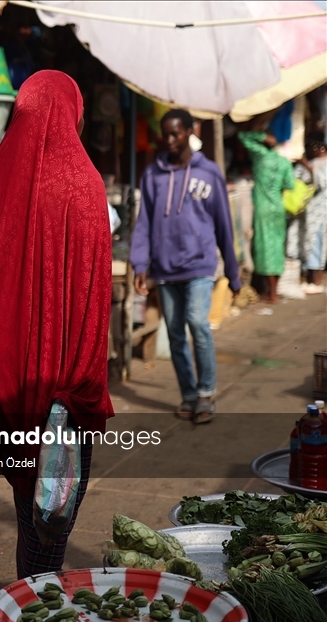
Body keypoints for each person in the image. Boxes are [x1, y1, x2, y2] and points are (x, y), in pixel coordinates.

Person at [0, 71, 113, 580]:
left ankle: (28, 601)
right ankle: (35, 619)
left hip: (0, 381)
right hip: (60, 385)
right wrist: (87, 384)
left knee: (27, 502)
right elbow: (95, 297)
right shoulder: (85, 185)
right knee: (53, 512)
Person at [131, 109, 242, 424]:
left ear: (191, 131)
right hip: (165, 269)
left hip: (199, 265)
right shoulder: (153, 175)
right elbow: (144, 223)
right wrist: (141, 263)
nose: (169, 141)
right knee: (176, 334)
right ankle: (189, 395)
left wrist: (233, 274)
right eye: (165, 134)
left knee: (197, 322)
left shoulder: (209, 173)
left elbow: (223, 224)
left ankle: (206, 392)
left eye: (175, 134)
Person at [239, 128, 295, 303]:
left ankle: (270, 293)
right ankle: (274, 290)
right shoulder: (284, 162)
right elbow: (290, 184)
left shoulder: (261, 156)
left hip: (263, 207)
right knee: (277, 246)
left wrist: (261, 135)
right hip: (278, 207)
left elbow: (243, 136)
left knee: (264, 248)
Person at [297, 140, 326, 293]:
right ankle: (308, 279)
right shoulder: (313, 162)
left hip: (321, 212)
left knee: (318, 243)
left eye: (314, 147)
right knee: (307, 242)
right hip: (308, 211)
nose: (312, 150)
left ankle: (316, 281)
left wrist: (306, 166)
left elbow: (321, 183)